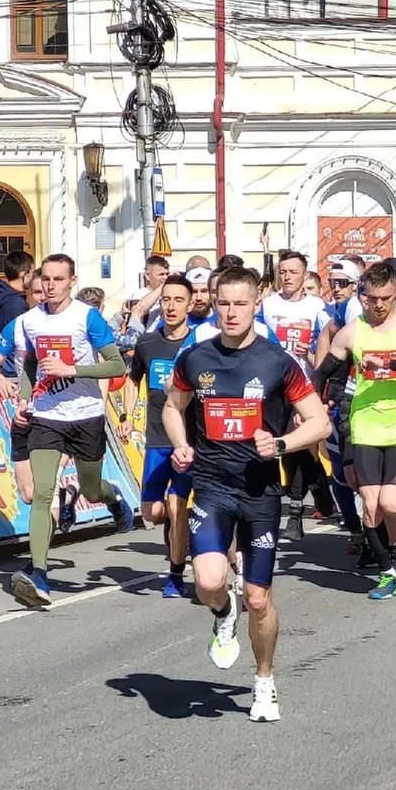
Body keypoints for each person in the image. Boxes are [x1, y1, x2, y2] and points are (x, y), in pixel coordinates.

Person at [164, 267, 330, 722]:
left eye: (241, 303)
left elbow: (319, 422)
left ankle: (264, 680)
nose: (232, 312)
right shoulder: (195, 358)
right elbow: (173, 407)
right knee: (209, 582)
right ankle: (223, 612)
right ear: (213, 304)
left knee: (259, 597)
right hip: (212, 486)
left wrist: (281, 444)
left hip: (260, 492)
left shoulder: (277, 362)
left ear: (257, 304)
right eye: (224, 303)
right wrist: (181, 444)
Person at [3, 254, 135, 606]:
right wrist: (25, 399)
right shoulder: (30, 320)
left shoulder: (87, 317)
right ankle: (40, 574)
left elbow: (116, 365)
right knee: (42, 493)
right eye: (46, 279)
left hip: (86, 416)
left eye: (58, 279)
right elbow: (30, 363)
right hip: (47, 417)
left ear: (72, 282)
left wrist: (71, 369)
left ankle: (112, 498)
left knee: (91, 487)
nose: (50, 286)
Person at [315, 260, 396, 599]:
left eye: (386, 298)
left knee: (391, 504)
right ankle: (388, 568)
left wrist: (387, 363)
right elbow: (324, 372)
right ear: (363, 296)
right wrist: (311, 404)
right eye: (372, 299)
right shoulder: (352, 331)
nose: (379, 305)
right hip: (366, 421)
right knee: (370, 503)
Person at [119, 275, 194, 598]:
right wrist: (126, 416)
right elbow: (133, 379)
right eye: (166, 300)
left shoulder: (199, 343)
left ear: (190, 305)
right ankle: (183, 525)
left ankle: (175, 576)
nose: (171, 306)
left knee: (176, 505)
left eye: (179, 300)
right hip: (157, 437)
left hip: (189, 440)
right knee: (152, 512)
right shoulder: (148, 343)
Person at [258, 251, 334, 540]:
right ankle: (317, 487)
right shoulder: (268, 304)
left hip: (305, 387)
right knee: (287, 447)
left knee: (298, 445)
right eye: (283, 271)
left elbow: (330, 348)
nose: (287, 277)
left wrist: (312, 357)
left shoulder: (318, 307)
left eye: (293, 272)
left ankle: (295, 513)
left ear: (305, 275)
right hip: (274, 387)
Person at [0, 251, 35, 369]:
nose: (33, 277)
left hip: (3, 363)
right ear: (24, 274)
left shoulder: (1, 295)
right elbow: (21, 339)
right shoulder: (17, 304)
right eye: (32, 272)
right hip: (13, 366)